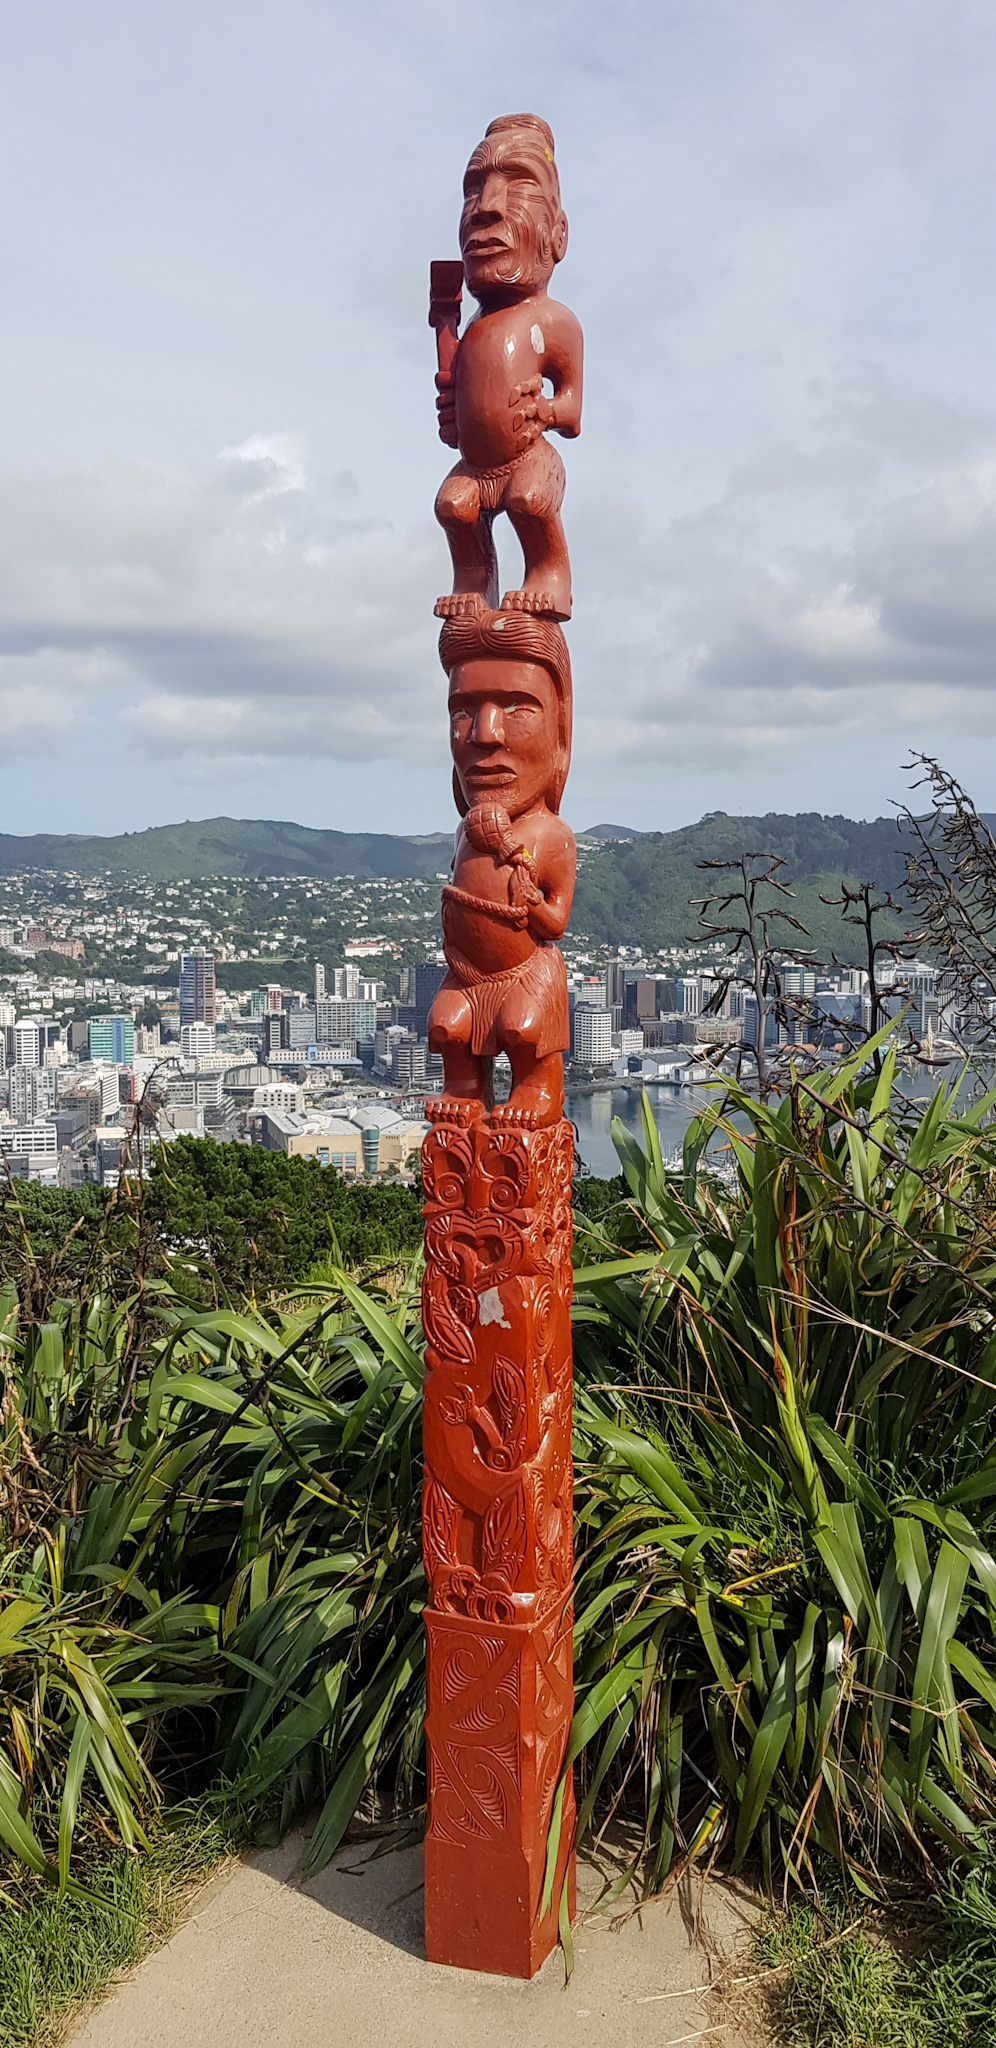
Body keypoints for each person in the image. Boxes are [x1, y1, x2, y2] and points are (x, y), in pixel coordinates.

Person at [428, 608, 576, 1127]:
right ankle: (465, 1086)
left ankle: (539, 1088)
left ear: (559, 730)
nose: (484, 734)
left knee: (523, 1028)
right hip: (467, 976)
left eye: (516, 707)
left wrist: (533, 903)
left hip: (524, 974)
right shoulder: (463, 831)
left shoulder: (550, 838)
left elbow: (556, 922)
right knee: (447, 1025)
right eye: (462, 711)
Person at [434, 114, 583, 624]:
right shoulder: (470, 329)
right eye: (474, 190)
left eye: (517, 184)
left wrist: (545, 408)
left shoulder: (554, 321)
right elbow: (463, 404)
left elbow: (573, 408)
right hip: (476, 467)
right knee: (453, 505)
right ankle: (474, 579)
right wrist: (453, 412)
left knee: (529, 500)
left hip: (527, 459)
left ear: (558, 234)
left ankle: (550, 575)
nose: (487, 208)